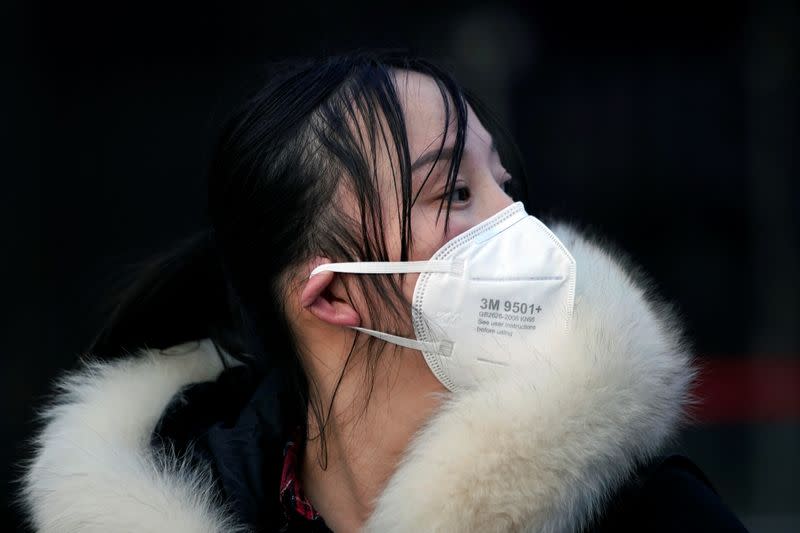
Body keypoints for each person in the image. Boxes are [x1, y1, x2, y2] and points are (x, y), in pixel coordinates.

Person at [19, 52, 747, 532]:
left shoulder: (651, 514)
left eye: (505, 182)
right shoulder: (153, 506)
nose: (519, 223)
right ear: (334, 297)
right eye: (456, 192)